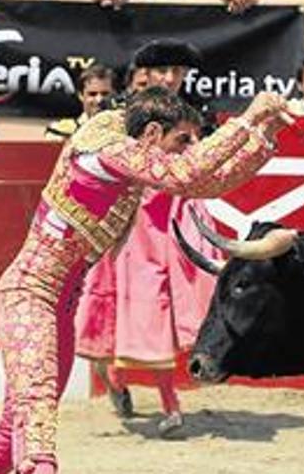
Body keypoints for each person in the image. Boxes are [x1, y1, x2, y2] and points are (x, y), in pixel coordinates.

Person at [0, 86, 294, 474]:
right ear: (150, 133)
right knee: (36, 428)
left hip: (61, 307)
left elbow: (204, 184)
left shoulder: (131, 156)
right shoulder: (106, 149)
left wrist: (264, 136)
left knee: (11, 427)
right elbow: (189, 172)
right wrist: (248, 117)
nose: (188, 148)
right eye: (181, 140)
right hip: (28, 296)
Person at [73, 38, 217, 437]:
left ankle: (121, 381)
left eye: (178, 72)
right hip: (134, 220)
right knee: (145, 304)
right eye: (163, 71)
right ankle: (158, 398)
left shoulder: (194, 113)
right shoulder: (121, 113)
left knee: (165, 308)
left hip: (175, 215)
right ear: (146, 73)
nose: (171, 78)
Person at [45, 64, 116, 142]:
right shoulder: (61, 130)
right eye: (92, 94)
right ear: (81, 95)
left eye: (105, 94)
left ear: (115, 94)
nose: (99, 100)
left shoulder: (126, 130)